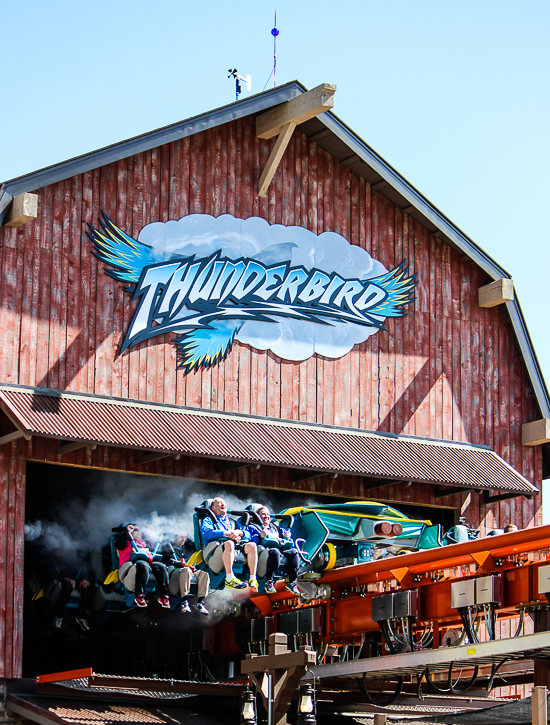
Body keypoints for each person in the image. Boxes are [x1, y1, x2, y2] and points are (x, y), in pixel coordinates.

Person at [200, 497, 258, 590]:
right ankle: (229, 578)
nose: (223, 504)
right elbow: (206, 533)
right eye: (219, 503)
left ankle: (252, 579)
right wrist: (226, 533)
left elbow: (248, 535)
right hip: (214, 555)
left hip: (233, 552)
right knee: (229, 543)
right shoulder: (209, 520)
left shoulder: (232, 522)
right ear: (213, 508)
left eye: (224, 503)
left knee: (252, 546)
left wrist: (239, 533)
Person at [114, 523, 170, 608]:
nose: (138, 532)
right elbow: (119, 545)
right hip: (131, 564)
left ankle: (164, 595)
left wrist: (152, 532)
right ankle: (139, 594)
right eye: (135, 530)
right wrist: (127, 532)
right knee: (143, 565)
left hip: (147, 562)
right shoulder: (125, 541)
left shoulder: (145, 542)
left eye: (139, 530)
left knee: (161, 566)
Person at [248, 506, 300, 595]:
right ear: (258, 516)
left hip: (280, 548)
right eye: (263, 514)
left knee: (294, 552)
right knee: (275, 551)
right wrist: (260, 536)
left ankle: (292, 582)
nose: (266, 516)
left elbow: (290, 543)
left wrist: (287, 538)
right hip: (265, 551)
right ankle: (269, 581)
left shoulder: (275, 528)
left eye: (268, 514)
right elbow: (250, 542)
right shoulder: (253, 527)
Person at [46, 552, 95, 631]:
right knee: (68, 586)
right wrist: (66, 579)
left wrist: (84, 579)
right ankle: (59, 616)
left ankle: (81, 616)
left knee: (87, 587)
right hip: (61, 581)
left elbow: (78, 571)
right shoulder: (53, 560)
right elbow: (52, 573)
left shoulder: (70, 560)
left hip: (74, 581)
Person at [160, 540, 209, 615]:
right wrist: (180, 564)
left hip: (190, 571)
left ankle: (200, 602)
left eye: (184, 537)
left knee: (204, 573)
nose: (182, 539)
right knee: (186, 570)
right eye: (181, 537)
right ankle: (184, 601)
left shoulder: (188, 548)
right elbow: (167, 560)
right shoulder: (167, 547)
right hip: (175, 575)